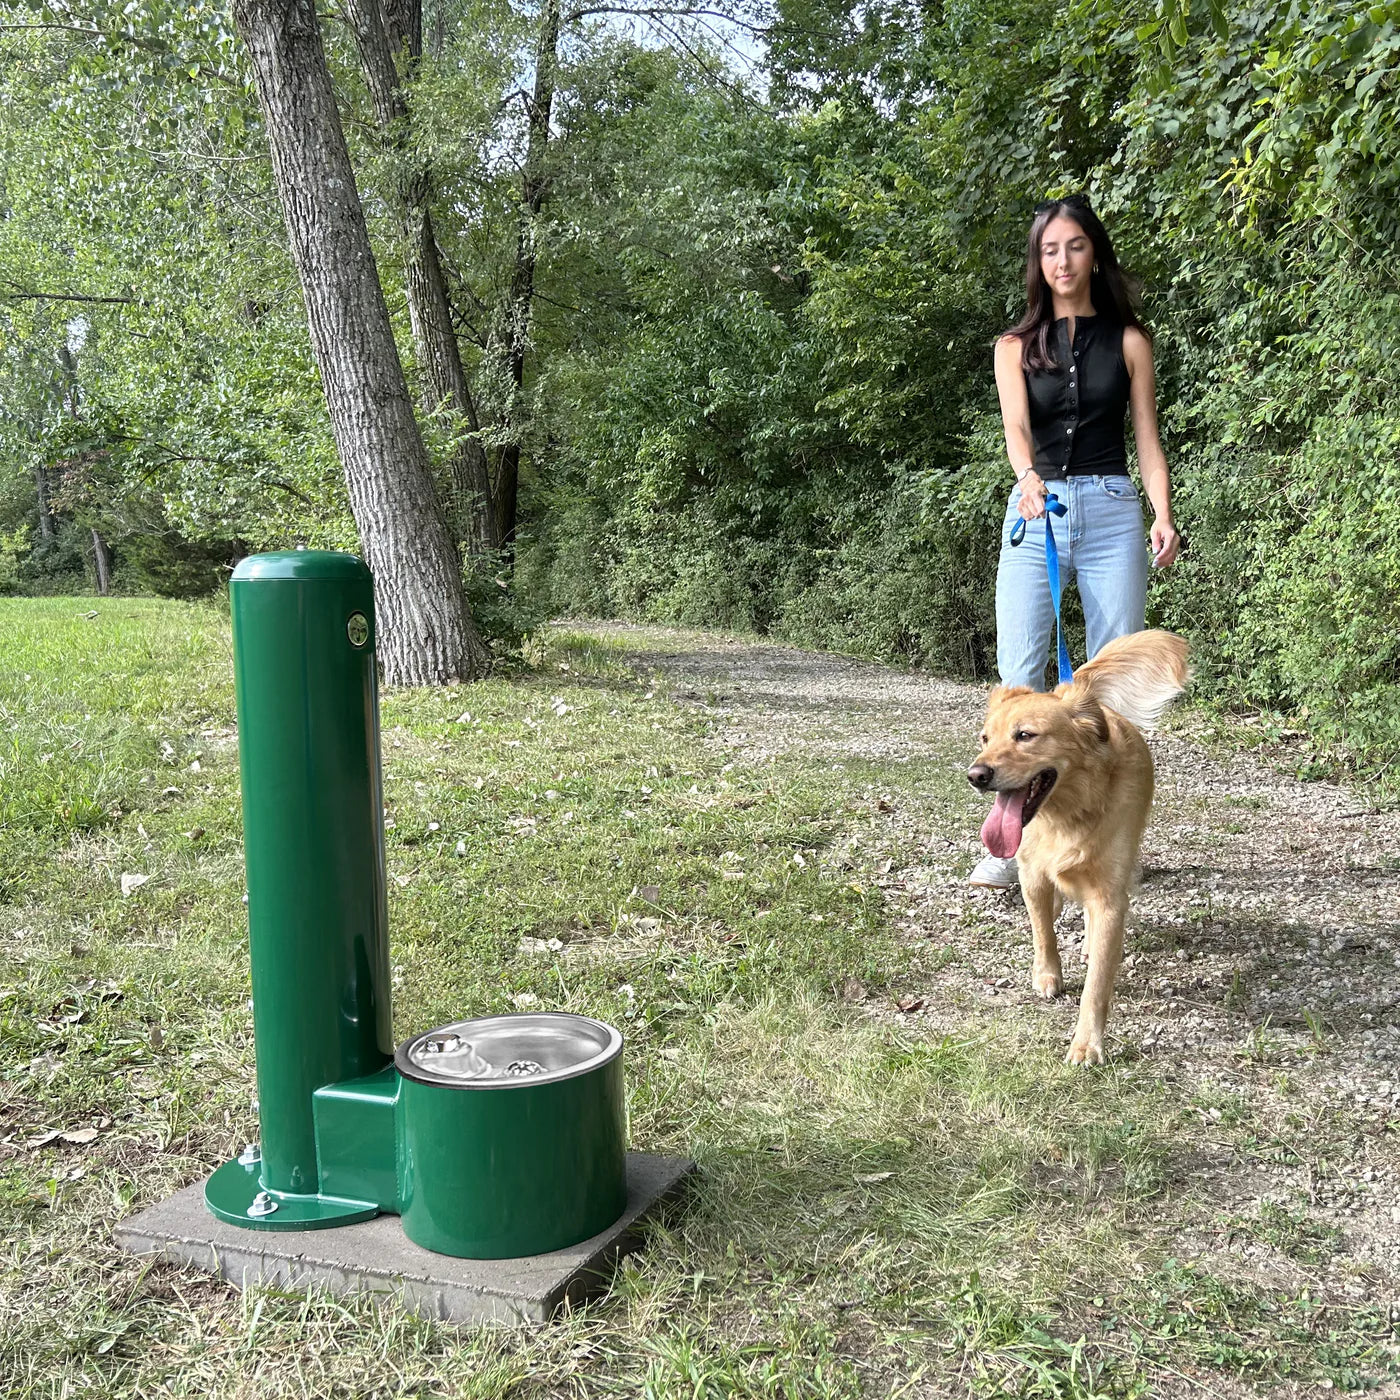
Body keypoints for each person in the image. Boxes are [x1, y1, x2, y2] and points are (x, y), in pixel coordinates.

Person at [968, 193, 1181, 890]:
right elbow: (1016, 432)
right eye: (1050, 249)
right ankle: (1013, 844)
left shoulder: (1128, 342)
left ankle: (1115, 838)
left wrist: (1162, 512)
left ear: (1095, 254)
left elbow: (1146, 438)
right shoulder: (1012, 347)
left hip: (1114, 505)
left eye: (1076, 247)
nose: (1063, 260)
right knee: (1018, 673)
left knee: (1112, 679)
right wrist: (1027, 477)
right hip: (1036, 509)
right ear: (1039, 261)